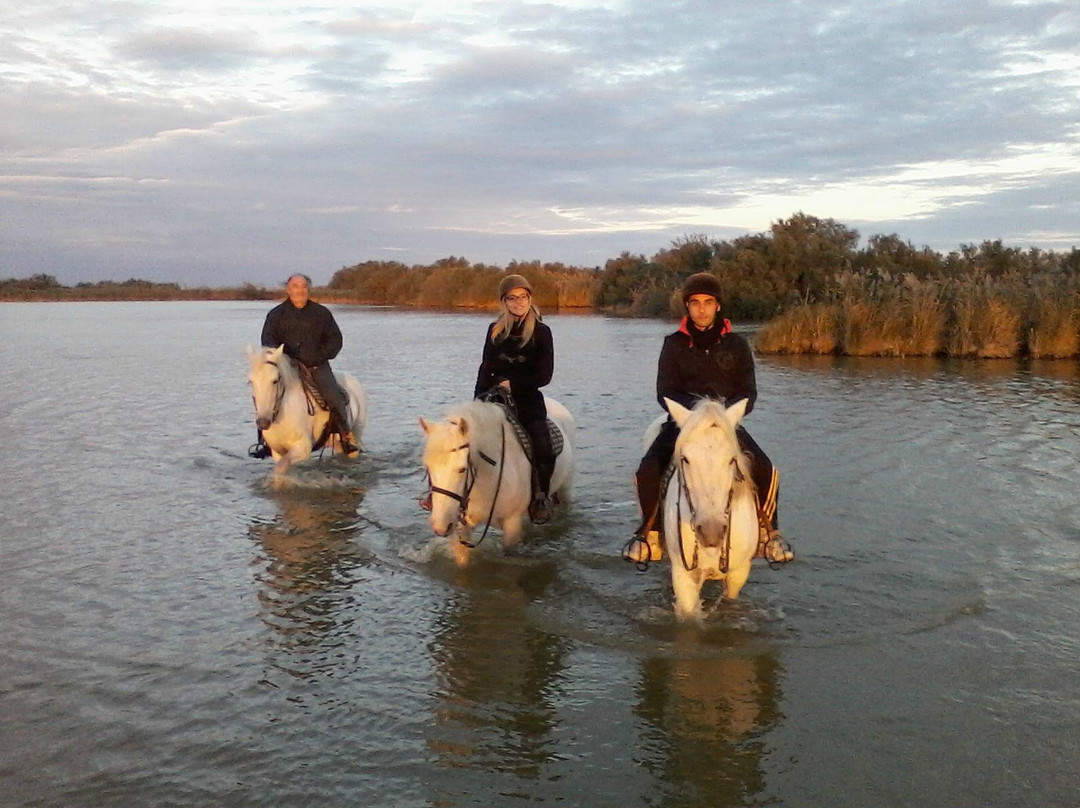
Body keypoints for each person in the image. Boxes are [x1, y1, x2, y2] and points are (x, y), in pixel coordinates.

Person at [623, 272, 793, 565]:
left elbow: (748, 391)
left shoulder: (738, 345)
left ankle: (769, 534)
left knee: (766, 469)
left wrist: (725, 415)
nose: (701, 309)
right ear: (687, 307)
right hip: (683, 424)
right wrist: (695, 415)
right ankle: (648, 535)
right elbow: (665, 391)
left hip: (725, 425)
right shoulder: (673, 343)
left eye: (708, 302)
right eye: (695, 303)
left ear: (718, 306)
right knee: (648, 469)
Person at [473, 274, 556, 524]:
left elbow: (545, 375)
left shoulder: (542, 332)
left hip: (527, 401)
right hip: (495, 401)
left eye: (523, 297)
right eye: (512, 298)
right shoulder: (495, 330)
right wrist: (477, 402)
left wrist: (514, 384)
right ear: (504, 301)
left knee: (544, 447)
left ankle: (540, 496)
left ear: (530, 299)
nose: (518, 303)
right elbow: (485, 367)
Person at [249, 273, 358, 458]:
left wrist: (319, 356)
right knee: (265, 394)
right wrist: (278, 357)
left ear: (308, 289)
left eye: (303, 286)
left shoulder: (322, 313)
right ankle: (266, 441)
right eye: (295, 286)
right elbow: (267, 340)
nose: (300, 290)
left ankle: (346, 435)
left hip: (316, 366)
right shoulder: (275, 315)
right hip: (287, 367)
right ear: (288, 289)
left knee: (333, 395)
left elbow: (335, 340)